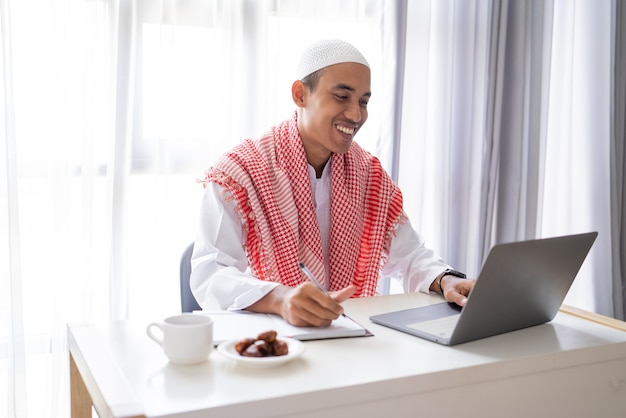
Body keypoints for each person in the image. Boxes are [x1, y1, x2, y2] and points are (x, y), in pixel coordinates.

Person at [191, 39, 475, 327]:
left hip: (348, 332)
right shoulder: (240, 171)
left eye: (363, 101)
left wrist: (445, 280)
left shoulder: (368, 174)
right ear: (300, 95)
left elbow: (409, 253)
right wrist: (279, 299)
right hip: (270, 340)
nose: (356, 115)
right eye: (342, 97)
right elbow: (210, 273)